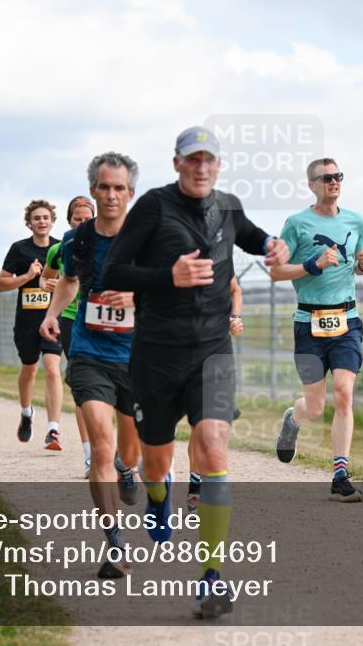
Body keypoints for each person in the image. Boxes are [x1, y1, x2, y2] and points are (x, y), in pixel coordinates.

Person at [102, 126, 289, 618]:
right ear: (177, 164)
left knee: (212, 443)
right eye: (192, 160)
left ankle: (211, 579)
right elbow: (113, 272)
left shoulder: (227, 204)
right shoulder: (152, 209)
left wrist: (272, 243)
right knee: (157, 462)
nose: (201, 167)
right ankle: (158, 498)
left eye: (209, 159)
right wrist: (169, 276)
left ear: (219, 165)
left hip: (212, 350)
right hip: (157, 354)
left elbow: (247, 235)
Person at [40, 152, 143, 579]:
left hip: (137, 357)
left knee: (129, 450)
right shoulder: (78, 240)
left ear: (131, 193)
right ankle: (115, 542)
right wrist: (50, 314)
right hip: (89, 354)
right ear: (93, 191)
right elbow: (68, 280)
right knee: (100, 445)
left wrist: (139, 297)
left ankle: (127, 466)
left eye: (119, 188)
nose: (112, 194)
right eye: (104, 187)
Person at [270, 157, 363, 502]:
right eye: (326, 178)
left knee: (344, 393)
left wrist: (362, 265)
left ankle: (340, 474)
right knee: (314, 406)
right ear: (312, 185)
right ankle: (293, 419)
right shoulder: (296, 223)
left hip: (347, 321)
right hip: (309, 324)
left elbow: (354, 267)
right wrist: (312, 264)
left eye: (338, 176)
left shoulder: (356, 220)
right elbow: (277, 272)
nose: (334, 182)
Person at [0, 200, 65, 450]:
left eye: (46, 217)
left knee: (52, 369)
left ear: (52, 221)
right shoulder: (19, 249)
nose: (41, 221)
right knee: (30, 370)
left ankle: (53, 431)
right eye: (37, 218)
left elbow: (72, 282)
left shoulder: (60, 249)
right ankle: (27, 413)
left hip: (53, 320)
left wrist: (57, 285)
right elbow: (1, 284)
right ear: (29, 222)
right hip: (26, 322)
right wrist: (27, 277)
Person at [41, 195, 96, 475]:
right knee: (83, 387)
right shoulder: (60, 249)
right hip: (72, 320)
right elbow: (46, 276)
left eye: (88, 219)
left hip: (104, 322)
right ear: (69, 221)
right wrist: (47, 284)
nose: (83, 223)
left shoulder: (110, 244)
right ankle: (90, 456)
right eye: (78, 219)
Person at [187, 275, 243, 512]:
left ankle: (205, 487)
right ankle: (195, 481)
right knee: (198, 427)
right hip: (181, 349)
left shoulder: (219, 252)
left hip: (217, 349)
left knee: (215, 424)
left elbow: (235, 289)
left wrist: (235, 317)